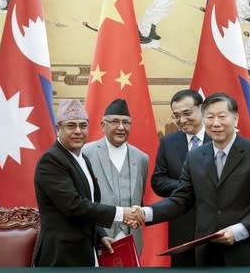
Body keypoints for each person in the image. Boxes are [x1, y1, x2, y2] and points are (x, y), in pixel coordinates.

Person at [141, 92, 250, 266]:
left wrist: (240, 230)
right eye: (210, 117)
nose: (216, 124)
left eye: (222, 117)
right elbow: (181, 199)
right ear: (203, 118)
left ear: (235, 118)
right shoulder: (194, 157)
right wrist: (144, 213)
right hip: (207, 253)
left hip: (247, 251)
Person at [33, 99, 143, 267]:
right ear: (58, 128)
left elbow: (90, 203)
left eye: (83, 126)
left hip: (85, 251)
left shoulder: (82, 158)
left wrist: (100, 235)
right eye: (71, 126)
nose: (78, 131)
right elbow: (74, 206)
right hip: (62, 256)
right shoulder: (51, 161)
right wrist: (122, 213)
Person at [151, 89, 211, 267]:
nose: (182, 120)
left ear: (203, 108)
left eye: (187, 113)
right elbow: (158, 181)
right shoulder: (168, 143)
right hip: (181, 230)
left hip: (216, 228)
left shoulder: (220, 138)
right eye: (176, 116)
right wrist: (186, 186)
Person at [82, 98, 148, 255]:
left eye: (126, 122)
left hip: (132, 237)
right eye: (115, 122)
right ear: (103, 125)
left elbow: (140, 195)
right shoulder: (86, 153)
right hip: (98, 237)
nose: (121, 127)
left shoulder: (141, 158)